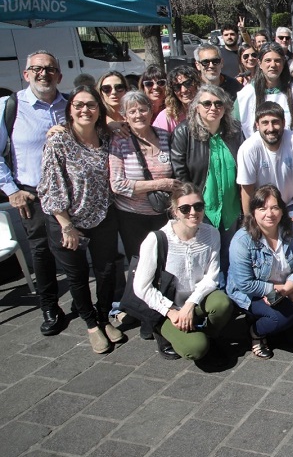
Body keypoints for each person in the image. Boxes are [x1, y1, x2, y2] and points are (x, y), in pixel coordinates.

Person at [38, 85, 124, 354]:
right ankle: (90, 324)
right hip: (66, 220)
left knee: (107, 270)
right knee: (76, 275)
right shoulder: (59, 140)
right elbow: (51, 185)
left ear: (99, 110)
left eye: (91, 105)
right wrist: (66, 225)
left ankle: (102, 315)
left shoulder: (106, 137)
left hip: (102, 216)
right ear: (70, 109)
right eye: (79, 105)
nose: (85, 109)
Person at [0, 51, 69, 336]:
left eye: (50, 69)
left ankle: (83, 301)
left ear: (59, 75)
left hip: (69, 193)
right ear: (26, 74)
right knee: (41, 251)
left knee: (72, 248)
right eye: (37, 69)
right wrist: (11, 189)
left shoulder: (70, 103)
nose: (44, 74)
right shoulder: (9, 106)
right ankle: (50, 306)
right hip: (33, 193)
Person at [133, 183, 234, 363]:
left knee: (222, 303)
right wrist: (171, 311)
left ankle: (207, 333)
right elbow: (141, 287)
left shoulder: (211, 233)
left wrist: (189, 304)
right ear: (175, 211)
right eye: (185, 208)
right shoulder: (157, 239)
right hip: (166, 306)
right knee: (196, 349)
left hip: (194, 301)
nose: (193, 212)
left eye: (198, 206)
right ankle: (162, 332)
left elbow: (212, 276)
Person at [228, 185, 293, 359]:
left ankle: (270, 323)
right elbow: (245, 284)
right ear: (253, 212)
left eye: (274, 207)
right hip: (253, 293)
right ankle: (255, 332)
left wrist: (288, 288)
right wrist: (272, 290)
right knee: (282, 318)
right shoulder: (242, 241)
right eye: (262, 208)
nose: (269, 213)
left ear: (282, 210)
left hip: (284, 288)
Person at [170, 84, 243, 273]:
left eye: (219, 103)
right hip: (202, 211)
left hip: (231, 209)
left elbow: (243, 169)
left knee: (229, 258)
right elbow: (181, 175)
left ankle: (229, 299)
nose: (213, 108)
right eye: (207, 103)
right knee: (203, 259)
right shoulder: (184, 132)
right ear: (196, 106)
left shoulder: (234, 132)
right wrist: (191, 208)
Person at [109, 90, 178, 271]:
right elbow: (117, 185)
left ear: (150, 111)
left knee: (165, 261)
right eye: (132, 112)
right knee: (140, 265)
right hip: (132, 216)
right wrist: (160, 184)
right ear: (124, 116)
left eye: (143, 109)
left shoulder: (164, 136)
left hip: (163, 213)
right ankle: (139, 299)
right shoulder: (119, 141)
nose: (138, 115)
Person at [234, 42, 293, 140]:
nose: (273, 65)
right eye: (268, 60)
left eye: (277, 60)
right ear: (259, 63)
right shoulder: (245, 95)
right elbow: (234, 129)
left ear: (283, 63)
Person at [236, 102, 293, 215]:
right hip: (263, 208)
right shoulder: (248, 148)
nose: (271, 128)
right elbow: (247, 189)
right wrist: (249, 221)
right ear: (257, 125)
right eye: (265, 123)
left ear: (283, 123)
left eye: (275, 122)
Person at [153, 65, 199, 133]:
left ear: (197, 84)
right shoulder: (166, 116)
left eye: (188, 84)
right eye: (177, 87)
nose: (183, 90)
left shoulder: (209, 110)